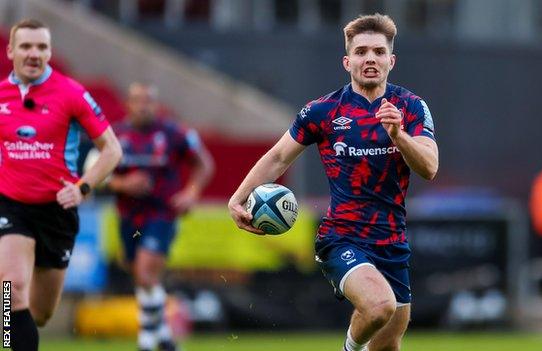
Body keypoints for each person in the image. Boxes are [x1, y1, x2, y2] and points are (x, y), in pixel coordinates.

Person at [229, 14, 438, 351]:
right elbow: (278, 157)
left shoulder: (410, 107)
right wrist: (237, 199)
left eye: (378, 52)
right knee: (379, 306)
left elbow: (429, 167)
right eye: (361, 51)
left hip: (392, 240)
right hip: (342, 237)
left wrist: (399, 136)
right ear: (347, 61)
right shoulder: (322, 111)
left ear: (391, 60)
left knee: (388, 342)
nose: (370, 58)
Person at [0, 19, 122, 351]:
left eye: (41, 47)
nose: (34, 53)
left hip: (57, 210)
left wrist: (83, 188)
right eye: (26, 46)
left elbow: (112, 150)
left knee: (39, 313)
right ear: (11, 51)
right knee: (10, 291)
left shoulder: (71, 93)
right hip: (11, 206)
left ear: (50, 52)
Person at [107, 82, 214, 351]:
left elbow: (204, 163)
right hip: (128, 215)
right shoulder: (115, 135)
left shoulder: (173, 133)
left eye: (149, 100)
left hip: (161, 213)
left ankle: (146, 341)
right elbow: (98, 173)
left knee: (145, 274)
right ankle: (165, 337)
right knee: (142, 278)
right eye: (138, 100)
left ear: (156, 104)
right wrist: (122, 184)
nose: (143, 105)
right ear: (128, 103)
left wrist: (191, 192)